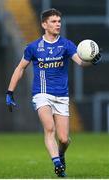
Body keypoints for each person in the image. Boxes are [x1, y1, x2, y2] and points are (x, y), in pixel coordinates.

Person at [6, 8, 101, 177]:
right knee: (49, 128)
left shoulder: (66, 44)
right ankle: (57, 163)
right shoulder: (34, 47)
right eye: (53, 21)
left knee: (64, 139)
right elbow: (20, 68)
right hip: (42, 94)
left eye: (59, 21)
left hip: (62, 96)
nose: (57, 24)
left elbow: (80, 62)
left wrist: (92, 60)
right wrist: (10, 91)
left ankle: (61, 154)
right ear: (44, 24)